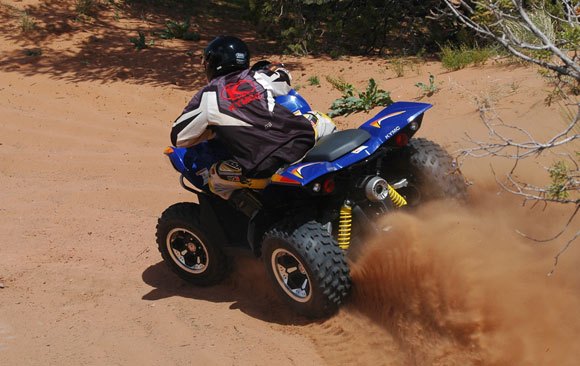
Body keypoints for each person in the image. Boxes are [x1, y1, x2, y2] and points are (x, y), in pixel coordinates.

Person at [170, 35, 335, 200]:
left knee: (214, 176)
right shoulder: (259, 77)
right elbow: (284, 77)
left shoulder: (208, 96)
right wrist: (270, 68)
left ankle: (241, 217)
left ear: (212, 64)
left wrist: (211, 129)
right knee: (318, 117)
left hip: (264, 164)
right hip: (302, 141)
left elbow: (179, 137)